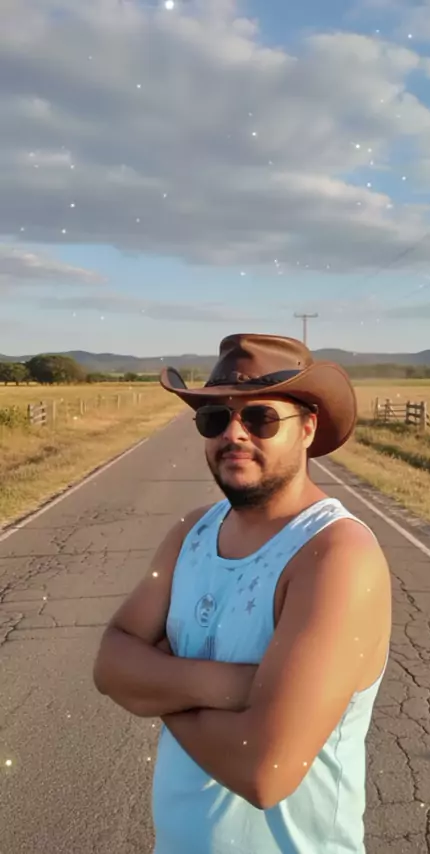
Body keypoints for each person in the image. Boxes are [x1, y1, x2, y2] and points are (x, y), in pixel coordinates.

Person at [93, 333, 392, 854]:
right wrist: (233, 686)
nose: (234, 433)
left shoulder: (335, 554)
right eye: (214, 418)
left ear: (307, 427)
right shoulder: (191, 534)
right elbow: (110, 663)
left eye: (260, 418)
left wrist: (154, 687)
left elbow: (264, 771)